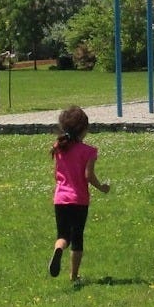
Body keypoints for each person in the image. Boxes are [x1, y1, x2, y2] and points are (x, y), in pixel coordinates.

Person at [50, 105, 110, 283]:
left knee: (63, 235)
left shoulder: (59, 147)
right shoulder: (89, 151)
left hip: (60, 198)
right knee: (77, 238)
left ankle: (59, 248)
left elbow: (56, 174)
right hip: (79, 200)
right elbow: (88, 176)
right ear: (83, 129)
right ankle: (74, 276)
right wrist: (102, 187)